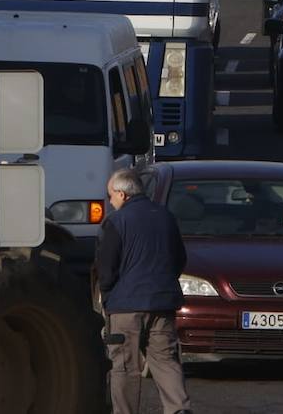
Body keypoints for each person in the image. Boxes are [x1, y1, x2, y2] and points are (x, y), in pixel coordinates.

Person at [96, 170, 193, 414]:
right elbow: (179, 258)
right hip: (162, 302)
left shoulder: (116, 222)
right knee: (165, 359)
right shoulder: (166, 216)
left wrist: (107, 295)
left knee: (125, 366)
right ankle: (179, 409)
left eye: (111, 196)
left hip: (125, 306)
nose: (110, 202)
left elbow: (105, 268)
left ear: (122, 194)